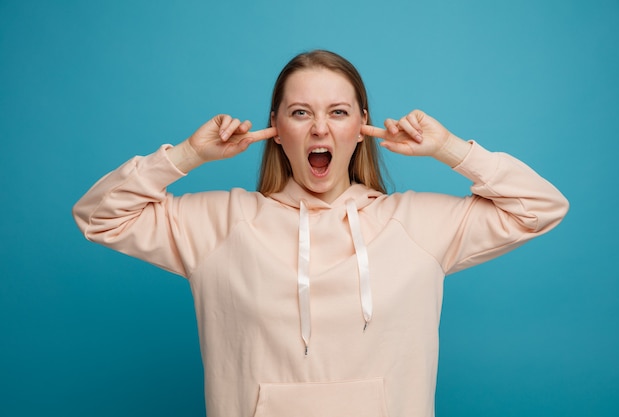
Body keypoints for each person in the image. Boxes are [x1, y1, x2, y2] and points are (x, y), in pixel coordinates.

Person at [73, 50, 569, 417]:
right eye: (300, 112)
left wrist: (449, 149)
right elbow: (98, 215)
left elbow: (541, 207)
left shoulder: (417, 224)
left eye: (337, 112)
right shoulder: (218, 224)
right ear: (275, 128)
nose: (319, 130)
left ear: (361, 128)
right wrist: (188, 154)